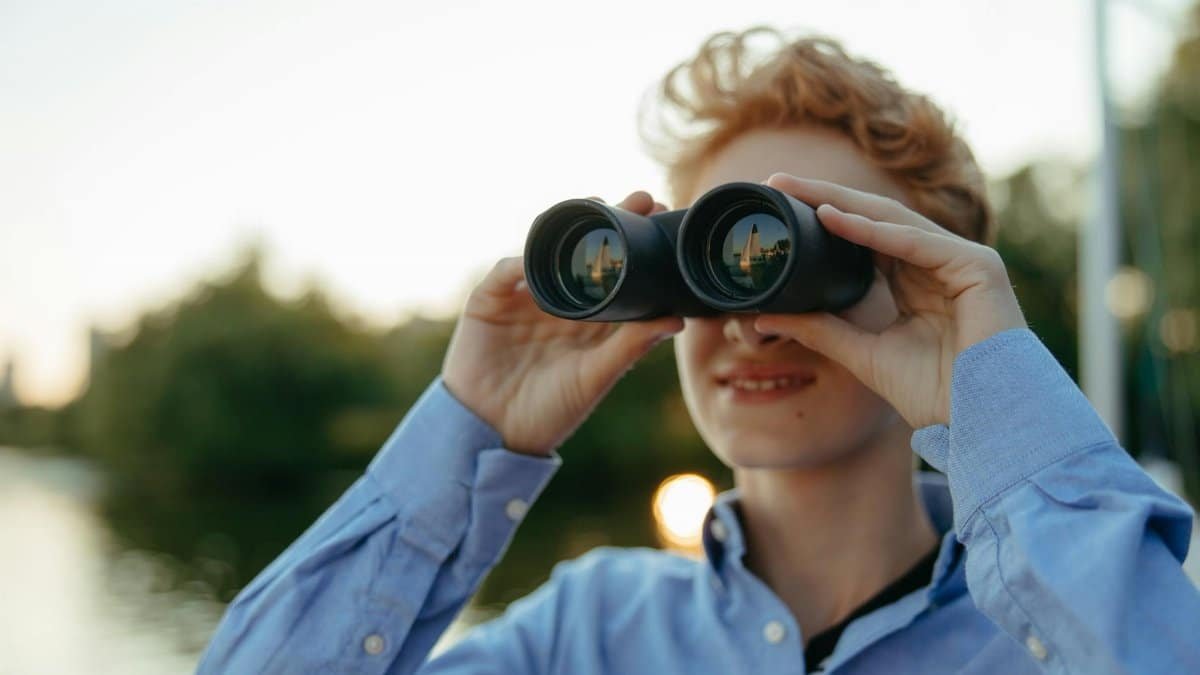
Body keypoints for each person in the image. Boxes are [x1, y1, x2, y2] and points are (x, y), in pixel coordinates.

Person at [197, 27, 1200, 674]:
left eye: (803, 257)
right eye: (712, 260)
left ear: (923, 283)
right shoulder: (585, 633)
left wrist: (990, 402)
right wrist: (467, 424)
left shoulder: (1049, 630)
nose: (752, 318)